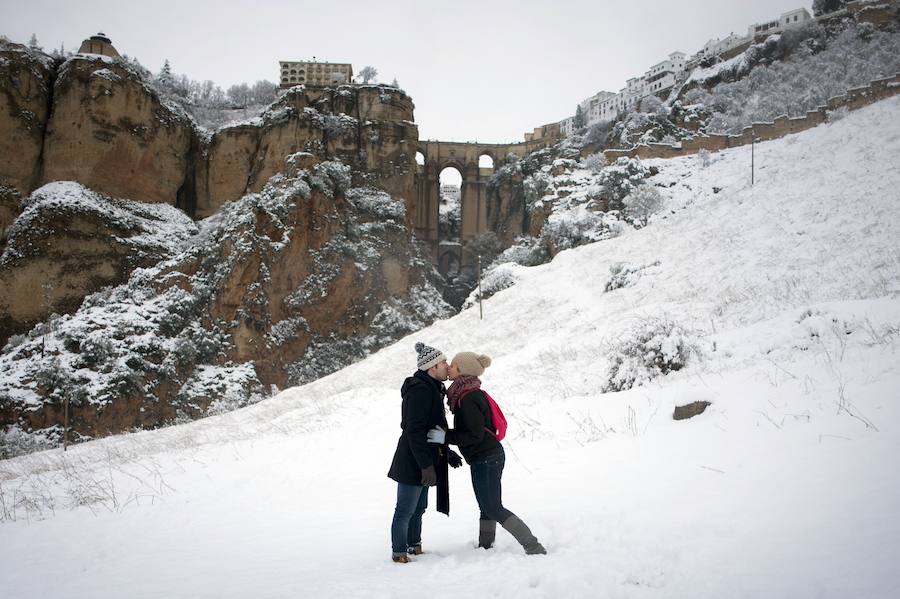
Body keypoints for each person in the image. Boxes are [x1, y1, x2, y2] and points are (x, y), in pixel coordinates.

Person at [427, 352, 547, 555]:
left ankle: (533, 546)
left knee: (492, 506)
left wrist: (443, 436)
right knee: (486, 504)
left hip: (487, 457)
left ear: (463, 371)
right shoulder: (466, 393)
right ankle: (485, 546)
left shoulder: (468, 398)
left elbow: (473, 435)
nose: (449, 368)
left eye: (454, 366)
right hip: (485, 457)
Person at [387, 342, 462, 564]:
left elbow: (433, 430)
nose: (447, 366)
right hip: (412, 459)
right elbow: (414, 431)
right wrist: (425, 465)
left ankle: (414, 545)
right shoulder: (420, 390)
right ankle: (399, 551)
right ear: (431, 368)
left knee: (419, 508)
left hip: (425, 457)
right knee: (405, 510)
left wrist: (446, 452)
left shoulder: (433, 388)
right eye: (443, 363)